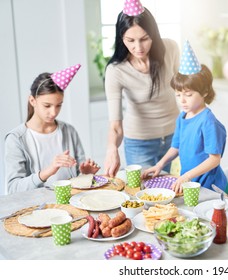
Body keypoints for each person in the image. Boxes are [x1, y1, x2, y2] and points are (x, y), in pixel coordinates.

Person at [103, 0, 180, 178]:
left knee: (168, 194)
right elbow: (115, 125)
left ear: (153, 34)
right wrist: (112, 148)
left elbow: (184, 88)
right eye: (130, 40)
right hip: (139, 142)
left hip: (174, 137)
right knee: (143, 192)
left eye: (145, 39)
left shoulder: (171, 48)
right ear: (121, 38)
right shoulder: (116, 70)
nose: (138, 47)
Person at [142, 41, 228, 194]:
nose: (182, 100)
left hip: (209, 186)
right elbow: (176, 147)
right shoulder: (183, 117)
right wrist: (159, 165)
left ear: (205, 92)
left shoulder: (208, 122)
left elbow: (214, 159)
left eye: (188, 95)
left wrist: (187, 176)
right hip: (189, 182)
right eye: (178, 94)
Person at [5, 65, 100, 194]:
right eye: (47, 105)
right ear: (32, 100)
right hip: (37, 208)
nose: (54, 112)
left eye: (58, 105)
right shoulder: (16, 139)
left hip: (70, 202)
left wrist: (86, 174)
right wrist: (48, 171)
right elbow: (13, 189)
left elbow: (78, 179)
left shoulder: (69, 131)